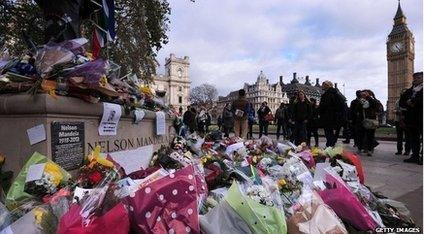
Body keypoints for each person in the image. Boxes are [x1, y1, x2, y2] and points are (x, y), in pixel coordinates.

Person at [399, 72, 423, 164]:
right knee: (414, 138)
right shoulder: (409, 91)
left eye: (420, 77)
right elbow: (402, 102)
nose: (417, 79)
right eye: (416, 78)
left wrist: (413, 102)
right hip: (412, 119)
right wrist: (408, 103)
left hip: (421, 116)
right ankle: (415, 156)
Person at [319, 81, 346, 147]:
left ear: (328, 86)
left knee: (328, 132)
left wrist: (320, 111)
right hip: (333, 117)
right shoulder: (336, 94)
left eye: (323, 85)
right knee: (330, 133)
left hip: (329, 117)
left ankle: (330, 146)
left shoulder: (328, 95)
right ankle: (330, 145)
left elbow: (324, 106)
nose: (322, 86)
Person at [358, 90, 380, 156]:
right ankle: (362, 148)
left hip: (370, 120)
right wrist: (360, 102)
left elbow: (377, 107)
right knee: (361, 135)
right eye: (362, 94)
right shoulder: (360, 101)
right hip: (362, 120)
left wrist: (368, 98)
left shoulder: (373, 100)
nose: (363, 95)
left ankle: (370, 149)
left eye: (365, 94)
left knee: (370, 135)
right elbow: (357, 109)